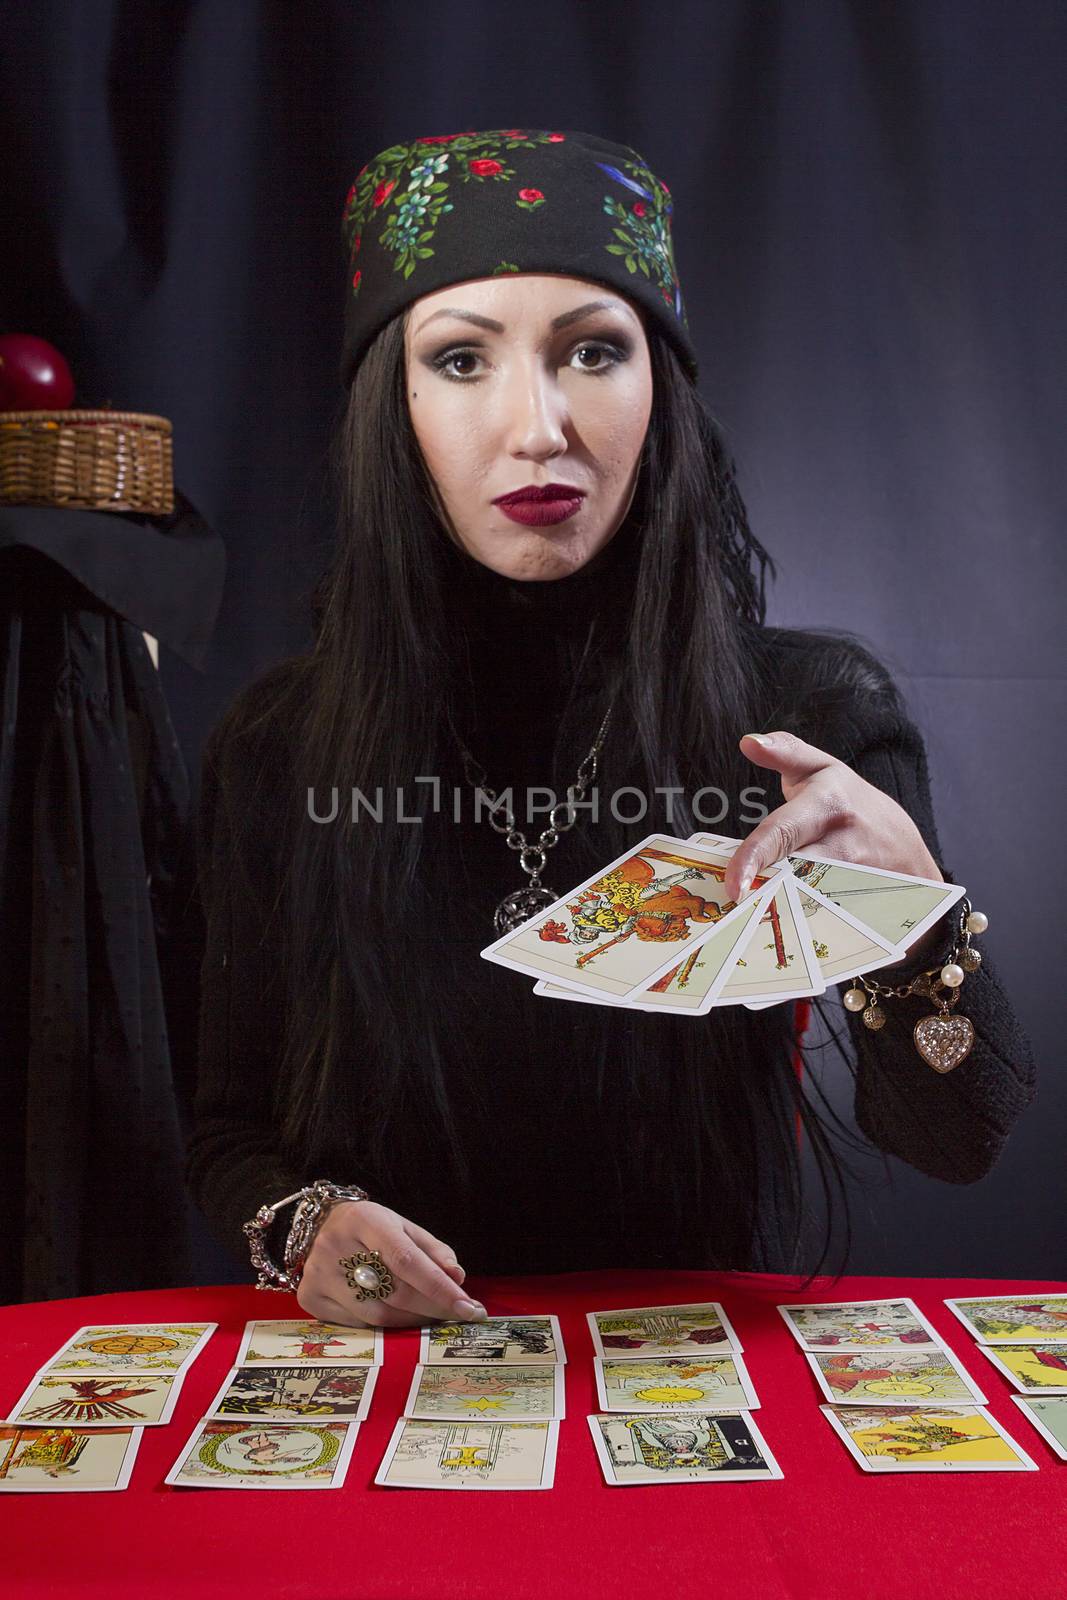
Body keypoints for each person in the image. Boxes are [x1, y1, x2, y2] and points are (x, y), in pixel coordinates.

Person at [185, 128, 1036, 1330]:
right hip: (398, 1392)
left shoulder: (808, 724)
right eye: (461, 361)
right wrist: (301, 1221)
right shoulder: (276, 746)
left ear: (660, 390)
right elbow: (225, 1128)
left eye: (591, 350)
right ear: (394, 407)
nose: (538, 426)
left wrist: (915, 926)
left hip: (699, 1395)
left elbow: (959, 1135)